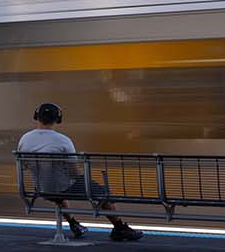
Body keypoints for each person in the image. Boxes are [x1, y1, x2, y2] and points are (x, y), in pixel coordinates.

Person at [15, 102, 144, 242]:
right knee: (101, 192)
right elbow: (74, 173)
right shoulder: (63, 141)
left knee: (59, 189)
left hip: (41, 187)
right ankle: (119, 228)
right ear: (57, 119)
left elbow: (24, 166)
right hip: (61, 188)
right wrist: (83, 178)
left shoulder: (25, 138)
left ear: (36, 117)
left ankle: (74, 224)